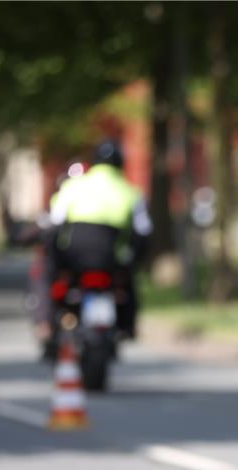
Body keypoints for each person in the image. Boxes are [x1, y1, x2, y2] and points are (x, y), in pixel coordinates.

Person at [48, 140, 152, 340]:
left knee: (55, 282)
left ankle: (53, 322)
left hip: (73, 256)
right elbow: (143, 232)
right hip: (109, 258)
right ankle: (127, 326)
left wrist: (57, 259)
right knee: (127, 287)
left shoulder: (73, 186)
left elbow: (54, 223)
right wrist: (132, 262)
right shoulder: (131, 193)